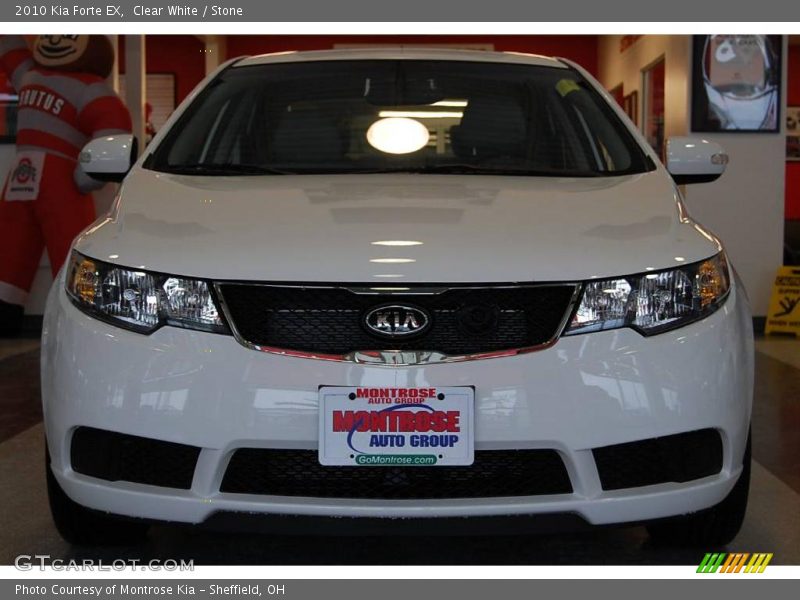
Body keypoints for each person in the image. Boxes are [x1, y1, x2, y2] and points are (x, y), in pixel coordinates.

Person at [0, 35, 131, 335]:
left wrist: (90, 174)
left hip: (60, 179)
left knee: (70, 244)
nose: (56, 37)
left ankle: (76, 316)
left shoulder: (89, 88)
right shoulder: (30, 74)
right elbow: (8, 45)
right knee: (9, 244)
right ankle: (5, 313)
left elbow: (113, 125)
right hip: (24, 171)